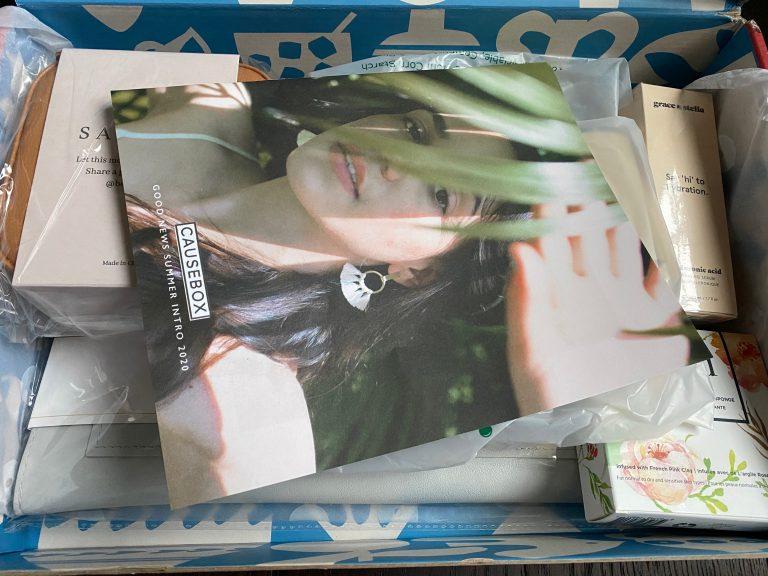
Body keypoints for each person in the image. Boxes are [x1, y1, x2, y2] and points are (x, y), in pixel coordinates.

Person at [116, 76, 690, 506]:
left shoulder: (244, 403)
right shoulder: (211, 107)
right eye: (418, 131)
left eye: (442, 195)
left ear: (418, 272)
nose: (395, 160)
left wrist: (552, 400)